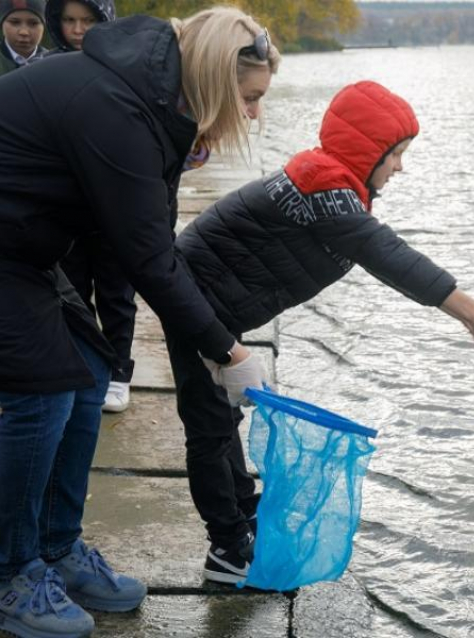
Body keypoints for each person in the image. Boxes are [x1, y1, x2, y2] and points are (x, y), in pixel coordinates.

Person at [168, 80, 474, 585]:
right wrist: (471, 311)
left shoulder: (330, 183)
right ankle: (227, 549)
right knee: (208, 428)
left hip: (216, 308)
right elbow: (388, 255)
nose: (400, 166)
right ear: (366, 151)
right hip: (194, 302)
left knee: (222, 417)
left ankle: (244, 515)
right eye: (395, 154)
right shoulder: (325, 190)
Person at [0, 7, 278, 638]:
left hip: (25, 245)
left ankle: (58, 547)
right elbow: (150, 257)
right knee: (41, 390)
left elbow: (141, 240)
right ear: (212, 77)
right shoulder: (118, 109)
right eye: (251, 98)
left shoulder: (153, 106)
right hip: (9, 246)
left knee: (91, 366)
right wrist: (229, 352)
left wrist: (207, 337)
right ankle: (12, 569)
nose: (255, 114)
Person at [45, 0, 137, 413]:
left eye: (88, 20)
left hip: (113, 203)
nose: (78, 29)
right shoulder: (43, 69)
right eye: (69, 20)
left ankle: (119, 371)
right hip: (64, 205)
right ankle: (82, 364)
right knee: (73, 291)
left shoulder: (125, 69)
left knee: (117, 291)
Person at [0, 0, 47, 76]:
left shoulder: (53, 63)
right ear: (2, 25)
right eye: (15, 22)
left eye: (33, 23)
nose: (24, 32)